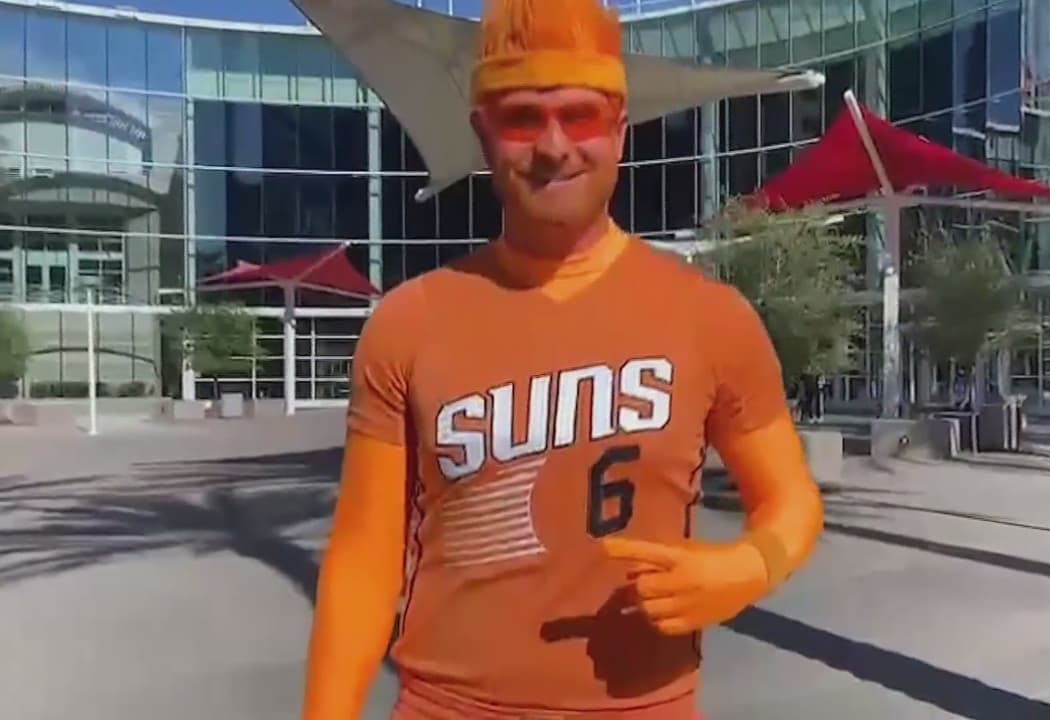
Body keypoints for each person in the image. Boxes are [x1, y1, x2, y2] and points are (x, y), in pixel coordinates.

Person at [299, 1, 825, 718]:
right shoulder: (408, 325)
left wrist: (752, 564)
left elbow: (792, 500)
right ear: (483, 132)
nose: (553, 147)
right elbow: (365, 559)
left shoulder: (710, 317)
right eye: (522, 118)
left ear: (619, 128)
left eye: (579, 116)